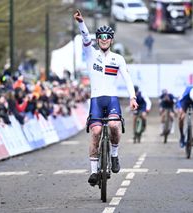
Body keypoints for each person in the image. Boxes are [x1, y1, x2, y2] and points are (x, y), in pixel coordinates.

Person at [73, 10, 138, 186]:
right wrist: (81, 22)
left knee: (114, 126)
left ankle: (114, 155)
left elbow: (127, 78)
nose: (103, 39)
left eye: (107, 36)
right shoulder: (90, 54)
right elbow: (85, 36)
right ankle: (94, 172)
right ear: (98, 38)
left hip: (111, 100)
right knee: (95, 132)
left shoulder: (118, 59)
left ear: (111, 39)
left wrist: (132, 97)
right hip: (96, 100)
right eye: (100, 36)